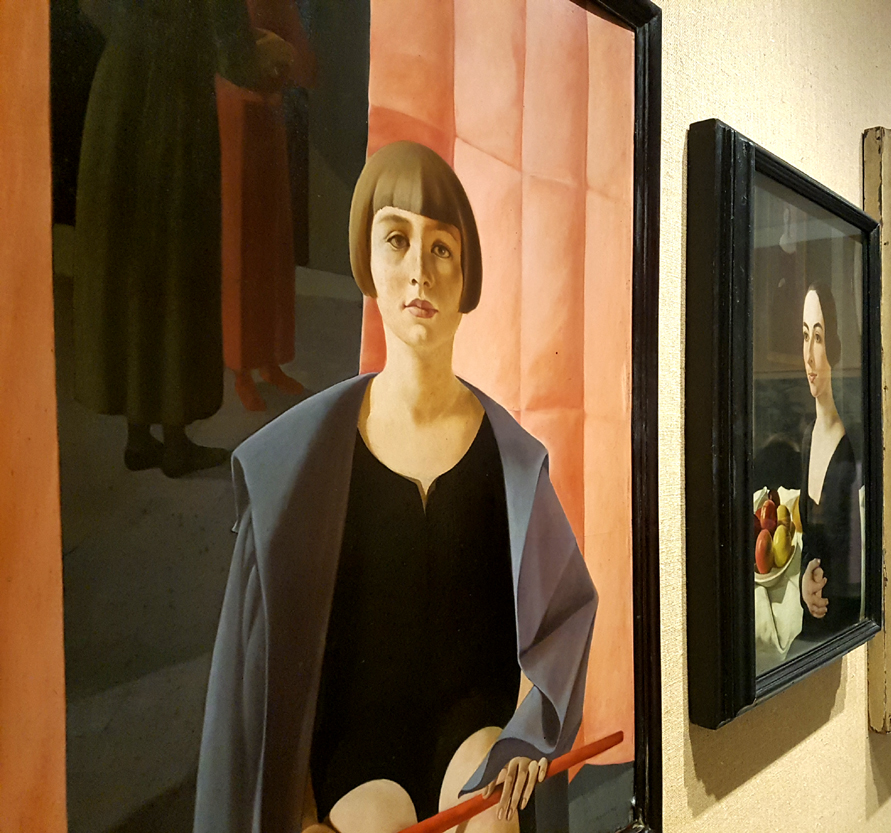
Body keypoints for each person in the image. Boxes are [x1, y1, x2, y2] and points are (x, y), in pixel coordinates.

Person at [194, 141, 597, 833]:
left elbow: (567, 610)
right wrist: (302, 813)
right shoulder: (306, 455)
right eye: (397, 239)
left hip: (473, 730)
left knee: (491, 820)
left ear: (466, 278)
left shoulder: (510, 456)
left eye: (442, 248)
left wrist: (531, 732)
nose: (420, 271)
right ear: (368, 261)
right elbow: (260, 665)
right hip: (357, 751)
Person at [73, 0, 295, 476]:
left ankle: (138, 438)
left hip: (119, 97)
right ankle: (175, 444)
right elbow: (235, 55)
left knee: (134, 264)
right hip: (174, 108)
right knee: (177, 265)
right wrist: (272, 53)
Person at [217, 0, 315, 411]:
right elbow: (223, 47)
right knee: (241, 241)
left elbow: (302, 60)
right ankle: (241, 369)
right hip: (237, 108)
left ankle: (271, 361)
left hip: (271, 109)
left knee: (274, 244)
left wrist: (283, 59)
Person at [798, 283, 861, 637]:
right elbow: (811, 541)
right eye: (805, 336)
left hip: (845, 629)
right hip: (812, 629)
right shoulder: (808, 439)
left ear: (833, 347)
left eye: (818, 338)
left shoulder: (849, 447)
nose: (809, 355)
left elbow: (857, 558)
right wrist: (804, 581)